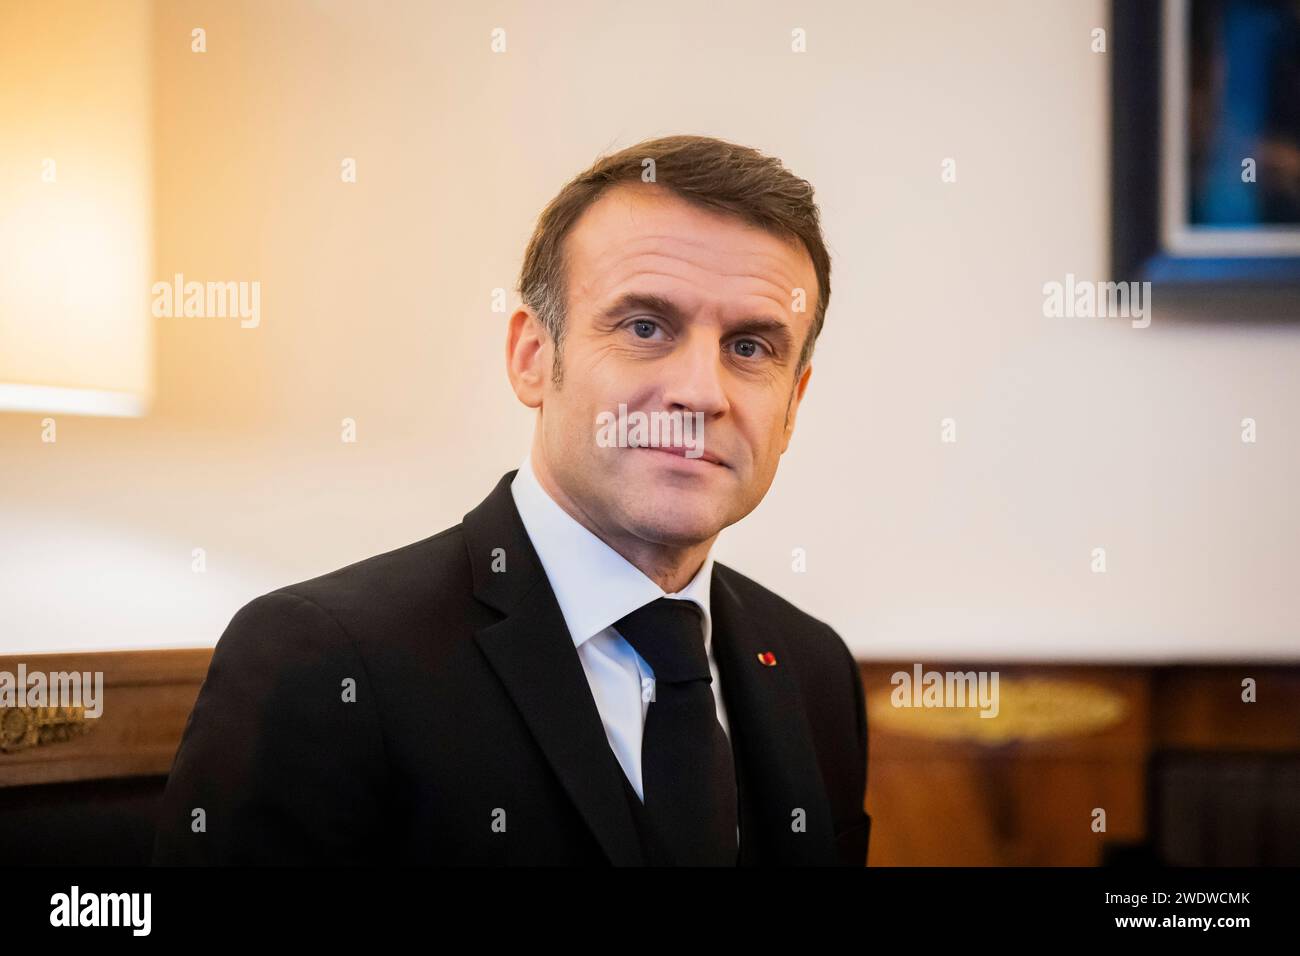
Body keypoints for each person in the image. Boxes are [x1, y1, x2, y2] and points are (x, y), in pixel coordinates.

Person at [152, 134, 870, 866]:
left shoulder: (815, 673)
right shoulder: (322, 659)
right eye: (645, 327)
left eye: (750, 348)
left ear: (793, 406)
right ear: (532, 359)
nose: (700, 393)